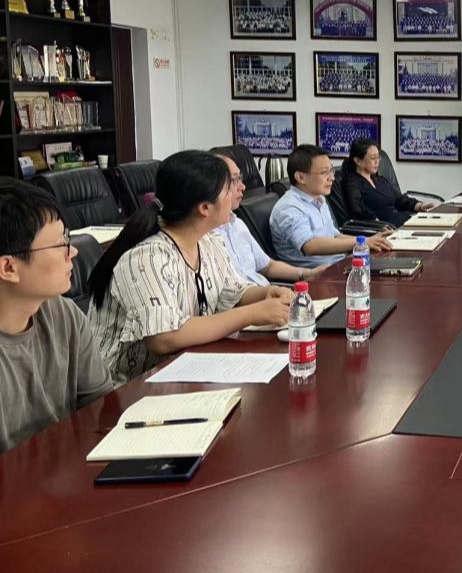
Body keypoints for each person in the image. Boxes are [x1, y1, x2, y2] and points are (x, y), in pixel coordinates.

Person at [88, 151, 295, 386]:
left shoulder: (208, 242)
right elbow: (164, 337)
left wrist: (264, 294)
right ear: (204, 207)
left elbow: (231, 291)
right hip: (126, 389)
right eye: (227, 190)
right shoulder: (147, 258)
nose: (236, 193)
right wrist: (252, 314)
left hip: (184, 371)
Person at [0, 179, 112, 453]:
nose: (72, 251)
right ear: (8, 267)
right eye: (60, 244)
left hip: (70, 466)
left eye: (67, 238)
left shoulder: (63, 314)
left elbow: (100, 408)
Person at [212, 154, 329, 285]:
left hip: (267, 291)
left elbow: (267, 266)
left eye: (240, 178)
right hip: (259, 295)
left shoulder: (237, 224)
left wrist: (308, 274)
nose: (243, 186)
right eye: (234, 180)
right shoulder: (206, 240)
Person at [270, 144, 392, 268]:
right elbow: (310, 246)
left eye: (331, 171)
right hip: (319, 273)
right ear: (301, 177)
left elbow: (335, 236)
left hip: (340, 263)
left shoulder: (319, 199)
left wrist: (371, 240)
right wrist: (362, 242)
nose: (332, 178)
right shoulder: (288, 208)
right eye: (324, 173)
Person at [342, 138, 438, 227]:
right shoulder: (352, 183)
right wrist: (377, 224)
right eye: (373, 158)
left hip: (401, 220)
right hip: (385, 228)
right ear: (358, 161)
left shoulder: (380, 180)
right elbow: (358, 210)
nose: (377, 162)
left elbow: (400, 199)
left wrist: (420, 206)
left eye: (378, 157)